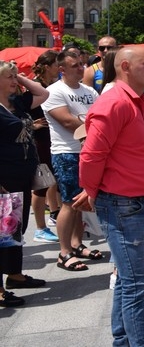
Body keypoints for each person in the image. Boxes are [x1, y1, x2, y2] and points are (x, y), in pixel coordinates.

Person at [75, 47, 144, 346]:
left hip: (138, 203)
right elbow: (91, 155)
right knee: (137, 285)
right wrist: (91, 190)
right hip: (125, 205)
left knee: (128, 282)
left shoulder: (135, 102)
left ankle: (123, 342)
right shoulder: (114, 103)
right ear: (125, 66)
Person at [41, 50, 103, 271]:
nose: (81, 68)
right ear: (62, 70)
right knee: (68, 202)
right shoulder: (53, 92)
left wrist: (90, 124)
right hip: (66, 152)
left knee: (81, 201)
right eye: (75, 65)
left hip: (90, 152)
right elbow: (68, 121)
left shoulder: (89, 91)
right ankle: (64, 252)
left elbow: (99, 117)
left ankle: (77, 244)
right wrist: (91, 124)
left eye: (81, 64)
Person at [0, 60, 49, 307]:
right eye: (9, 77)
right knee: (2, 232)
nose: (14, 80)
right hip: (4, 179)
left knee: (16, 228)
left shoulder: (17, 103)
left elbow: (43, 93)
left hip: (23, 176)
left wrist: (19, 78)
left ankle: (15, 275)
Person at [29, 50, 61, 243]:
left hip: (51, 139)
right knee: (41, 185)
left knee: (50, 182)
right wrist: (33, 125)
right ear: (48, 67)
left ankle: (49, 220)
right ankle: (40, 228)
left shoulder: (52, 86)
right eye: (57, 65)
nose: (59, 68)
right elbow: (19, 112)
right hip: (39, 140)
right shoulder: (35, 87)